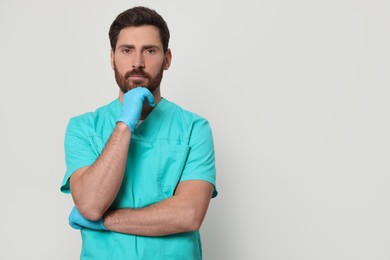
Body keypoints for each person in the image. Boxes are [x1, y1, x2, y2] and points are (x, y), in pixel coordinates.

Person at [60, 6, 217, 260]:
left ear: (167, 59)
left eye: (150, 50)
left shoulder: (194, 129)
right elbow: (90, 204)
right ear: (112, 58)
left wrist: (105, 221)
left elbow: (189, 214)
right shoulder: (83, 128)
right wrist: (124, 125)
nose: (137, 63)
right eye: (126, 50)